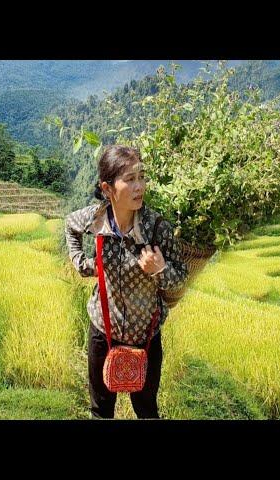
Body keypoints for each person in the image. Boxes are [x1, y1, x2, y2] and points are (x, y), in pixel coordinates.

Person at [64, 145, 188, 419]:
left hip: (145, 336)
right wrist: (84, 264)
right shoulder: (95, 220)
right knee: (100, 411)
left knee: (146, 410)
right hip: (102, 332)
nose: (139, 186)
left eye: (141, 177)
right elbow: (70, 225)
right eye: (129, 179)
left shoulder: (157, 228)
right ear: (107, 188)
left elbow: (180, 279)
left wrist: (160, 269)